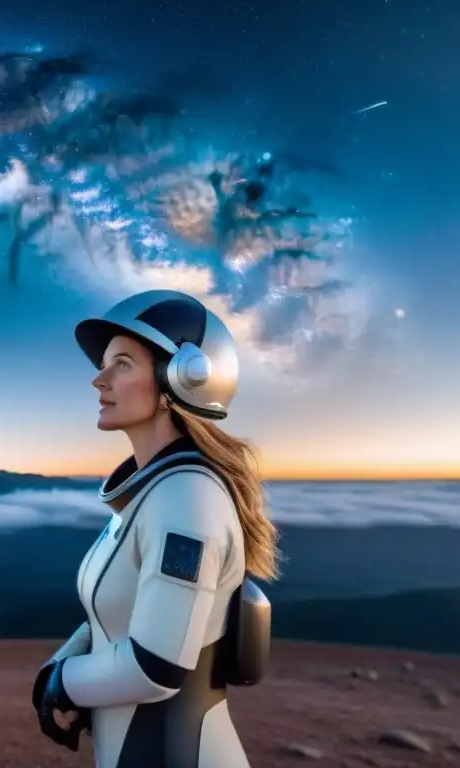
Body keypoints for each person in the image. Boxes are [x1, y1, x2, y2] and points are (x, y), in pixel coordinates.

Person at [32, 288, 280, 768]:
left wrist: (64, 682)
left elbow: (156, 665)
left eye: (121, 364)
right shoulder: (153, 494)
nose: (98, 380)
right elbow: (113, 616)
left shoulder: (187, 499)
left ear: (179, 379)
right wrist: (57, 669)